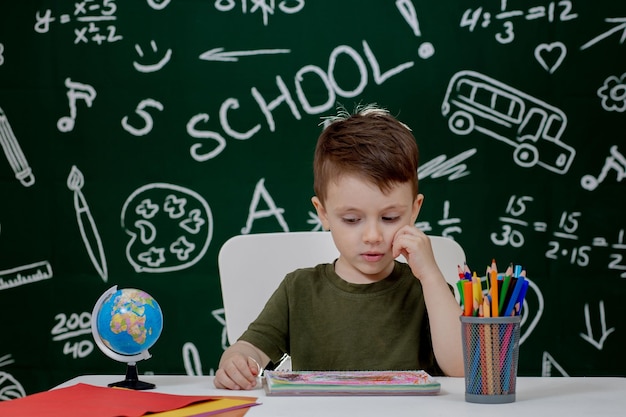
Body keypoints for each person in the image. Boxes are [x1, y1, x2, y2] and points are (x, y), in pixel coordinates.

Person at [215, 104, 464, 390]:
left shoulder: (426, 289)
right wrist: (237, 361)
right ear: (323, 214)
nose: (372, 235)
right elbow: (249, 350)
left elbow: (460, 368)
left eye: (390, 217)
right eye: (352, 219)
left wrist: (431, 276)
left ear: (413, 210)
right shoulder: (299, 289)